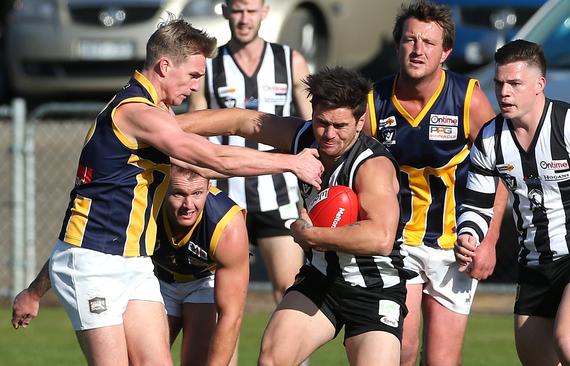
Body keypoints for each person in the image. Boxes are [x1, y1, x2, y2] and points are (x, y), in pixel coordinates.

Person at [36, 18, 323, 365]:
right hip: (94, 261)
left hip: (134, 263)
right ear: (165, 65)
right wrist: (291, 162)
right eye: (193, 75)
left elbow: (225, 137)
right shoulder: (136, 112)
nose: (196, 85)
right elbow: (215, 157)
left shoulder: (158, 112)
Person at [180, 66, 414, 366]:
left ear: (360, 122)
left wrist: (310, 235)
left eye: (340, 125)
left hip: (373, 289)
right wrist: (167, 126)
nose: (329, 134)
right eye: (321, 123)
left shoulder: (372, 166)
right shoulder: (304, 138)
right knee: (273, 359)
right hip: (321, 280)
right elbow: (240, 121)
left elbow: (380, 238)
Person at [455, 39, 570, 365]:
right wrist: (470, 234)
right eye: (499, 83)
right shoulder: (489, 139)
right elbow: (477, 203)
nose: (504, 92)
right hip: (534, 263)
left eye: (515, 83)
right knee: (537, 360)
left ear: (540, 84)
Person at [365, 2, 507, 365]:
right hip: (397, 242)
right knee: (403, 348)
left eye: (429, 42)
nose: (417, 49)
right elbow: (354, 170)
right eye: (410, 40)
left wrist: (489, 241)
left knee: (442, 360)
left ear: (445, 52)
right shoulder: (374, 101)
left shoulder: (468, 97)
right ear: (397, 45)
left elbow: (502, 170)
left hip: (454, 245)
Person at [12, 165, 249, 365]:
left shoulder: (226, 225)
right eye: (178, 194)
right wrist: (34, 293)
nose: (189, 204)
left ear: (209, 188)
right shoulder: (141, 207)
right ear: (164, 188)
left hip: (202, 284)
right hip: (157, 281)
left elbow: (231, 315)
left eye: (197, 193)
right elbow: (80, 246)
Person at [188, 0, 312, 306]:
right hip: (224, 195)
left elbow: (312, 127)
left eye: (251, 11)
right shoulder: (209, 66)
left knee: (290, 290)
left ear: (264, 12)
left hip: (278, 195)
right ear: (226, 11)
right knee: (224, 301)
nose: (244, 19)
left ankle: (289, 356)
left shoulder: (289, 60)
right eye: (238, 10)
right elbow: (193, 129)